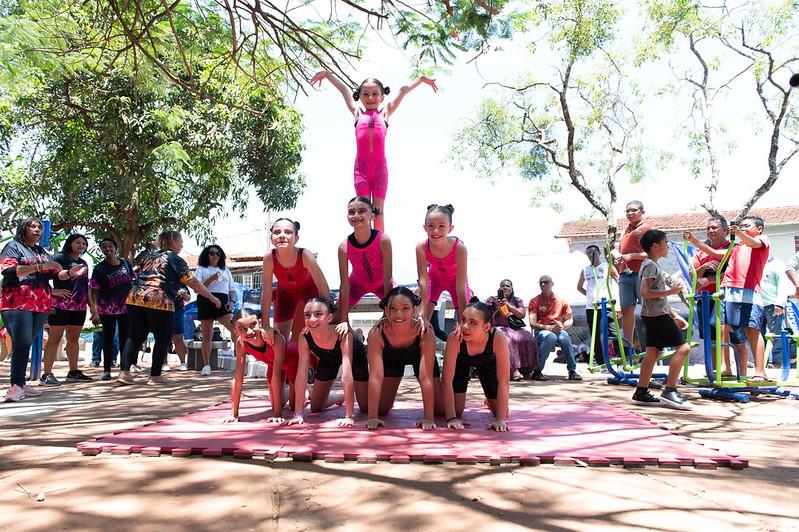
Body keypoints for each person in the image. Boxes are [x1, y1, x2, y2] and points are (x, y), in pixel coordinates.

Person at [309, 71, 438, 231]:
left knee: (378, 213)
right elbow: (343, 89)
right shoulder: (357, 113)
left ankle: (381, 250)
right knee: (363, 213)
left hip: (379, 170)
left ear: (382, 97)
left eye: (375, 94)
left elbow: (403, 90)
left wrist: (420, 80)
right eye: (366, 94)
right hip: (361, 171)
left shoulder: (385, 113)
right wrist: (327, 75)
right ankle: (365, 248)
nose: (370, 98)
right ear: (360, 96)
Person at [116, 230, 221, 386]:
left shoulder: (149, 257)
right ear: (173, 243)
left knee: (135, 336)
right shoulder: (173, 258)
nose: (182, 245)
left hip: (135, 297)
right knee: (163, 337)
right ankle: (155, 375)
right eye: (180, 242)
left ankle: (124, 373)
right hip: (158, 299)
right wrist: (211, 297)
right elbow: (192, 282)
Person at [1, 217, 82, 402]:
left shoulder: (41, 250)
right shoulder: (13, 247)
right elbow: (8, 270)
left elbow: (55, 274)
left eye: (39, 227)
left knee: (26, 342)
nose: (37, 229)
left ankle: (21, 383)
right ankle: (15, 387)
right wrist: (41, 266)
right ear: (24, 228)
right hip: (17, 302)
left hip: (41, 303)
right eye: (33, 226)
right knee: (21, 341)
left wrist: (70, 272)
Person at [688, 216, 770, 380]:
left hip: (747, 289)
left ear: (759, 228)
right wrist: (693, 240)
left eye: (747, 226)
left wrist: (739, 232)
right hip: (728, 290)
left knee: (751, 330)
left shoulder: (760, 239)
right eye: (741, 226)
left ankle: (760, 372)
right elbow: (714, 252)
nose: (743, 228)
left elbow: (752, 243)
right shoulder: (737, 246)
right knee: (721, 327)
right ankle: (724, 368)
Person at [632, 229, 693, 409]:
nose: (667, 246)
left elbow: (657, 298)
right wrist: (672, 292)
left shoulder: (652, 264)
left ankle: (641, 391)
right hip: (657, 316)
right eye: (665, 243)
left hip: (653, 314)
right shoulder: (650, 265)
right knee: (683, 348)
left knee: (652, 352)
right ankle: (670, 390)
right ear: (655, 246)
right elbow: (646, 293)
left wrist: (673, 315)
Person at [365, 287, 441, 431]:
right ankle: (338, 396)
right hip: (391, 358)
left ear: (414, 310)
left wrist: (428, 418)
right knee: (380, 409)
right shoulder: (377, 333)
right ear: (386, 310)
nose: (398, 314)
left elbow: (426, 377)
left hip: (418, 355)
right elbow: (375, 377)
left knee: (440, 410)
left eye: (405, 308)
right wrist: (372, 417)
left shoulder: (425, 333)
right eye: (393, 308)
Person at [683, 217, 748, 376]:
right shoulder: (700, 254)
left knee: (736, 337)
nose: (711, 231)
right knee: (712, 337)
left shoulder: (733, 247)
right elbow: (692, 275)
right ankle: (716, 369)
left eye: (714, 228)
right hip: (705, 299)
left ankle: (743, 373)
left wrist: (709, 280)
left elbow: (736, 273)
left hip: (728, 298)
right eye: (708, 228)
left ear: (725, 231)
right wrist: (704, 268)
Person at [294, 298, 369, 427]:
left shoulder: (342, 335)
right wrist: (298, 414)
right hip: (327, 358)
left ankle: (358, 335)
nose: (312, 319)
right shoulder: (304, 337)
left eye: (318, 314)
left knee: (365, 407)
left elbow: (346, 375)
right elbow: (301, 374)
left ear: (329, 318)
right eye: (307, 315)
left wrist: (349, 416)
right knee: (315, 407)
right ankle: (340, 396)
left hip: (355, 357)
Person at [442, 300, 511, 432]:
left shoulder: (498, 338)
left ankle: (489, 400)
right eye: (463, 320)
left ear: (486, 327)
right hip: (462, 361)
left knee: (502, 411)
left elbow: (504, 381)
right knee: (456, 411)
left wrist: (500, 420)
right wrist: (451, 418)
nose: (465, 326)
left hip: (487, 363)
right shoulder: (455, 338)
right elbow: (447, 379)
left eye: (473, 323)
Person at [223, 308, 301, 423]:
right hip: (273, 366)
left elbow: (277, 376)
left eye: (253, 325)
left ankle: (307, 391)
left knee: (294, 406)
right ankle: (293, 391)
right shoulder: (241, 342)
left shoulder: (273, 338)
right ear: (235, 331)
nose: (249, 332)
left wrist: (278, 415)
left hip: (294, 360)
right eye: (242, 329)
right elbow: (238, 378)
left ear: (260, 323)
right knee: (276, 405)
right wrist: (234, 414)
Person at [41, 234, 92, 385]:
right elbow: (42, 278)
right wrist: (52, 291)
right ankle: (47, 374)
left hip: (79, 307)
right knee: (55, 338)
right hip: (60, 305)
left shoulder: (83, 263)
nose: (81, 245)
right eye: (77, 242)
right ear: (69, 243)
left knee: (73, 339)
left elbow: (85, 286)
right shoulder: (58, 258)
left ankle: (73, 371)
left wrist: (92, 307)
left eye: (84, 243)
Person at [337, 197, 393, 326]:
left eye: (362, 211)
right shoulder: (344, 247)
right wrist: (344, 320)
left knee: (398, 315)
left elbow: (388, 279)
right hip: (356, 285)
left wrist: (386, 313)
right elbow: (344, 285)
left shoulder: (383, 240)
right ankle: (356, 334)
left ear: (372, 216)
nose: (356, 215)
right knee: (333, 318)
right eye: (351, 212)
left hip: (382, 285)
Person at [88, 237, 135, 381]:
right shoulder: (99, 268)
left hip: (126, 308)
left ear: (115, 248)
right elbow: (93, 291)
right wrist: (94, 311)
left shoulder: (125, 263)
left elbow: (134, 283)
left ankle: (124, 368)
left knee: (125, 338)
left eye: (110, 246)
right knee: (107, 338)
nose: (108, 249)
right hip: (107, 308)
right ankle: (106, 369)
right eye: (104, 247)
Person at [416, 204, 470, 324]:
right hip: (434, 279)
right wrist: (421, 314)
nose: (435, 231)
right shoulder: (421, 247)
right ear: (425, 227)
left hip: (456, 281)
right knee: (421, 320)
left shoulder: (460, 249)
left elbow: (460, 287)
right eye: (431, 226)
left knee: (464, 321)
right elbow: (423, 281)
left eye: (441, 226)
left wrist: (464, 320)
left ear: (450, 228)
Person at [615, 200, 653, 350]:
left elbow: (653, 253)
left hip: (642, 273)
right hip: (625, 274)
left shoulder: (647, 229)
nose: (630, 213)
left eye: (633, 210)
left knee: (648, 308)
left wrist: (632, 256)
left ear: (642, 212)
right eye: (627, 211)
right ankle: (628, 346)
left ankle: (654, 343)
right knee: (626, 309)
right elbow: (622, 253)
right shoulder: (624, 231)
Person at [194, 245, 237, 376]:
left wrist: (232, 302)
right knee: (207, 335)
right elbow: (197, 288)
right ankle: (206, 365)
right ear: (207, 255)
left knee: (235, 328)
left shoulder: (226, 270)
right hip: (206, 300)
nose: (215, 256)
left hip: (223, 301)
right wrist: (211, 278)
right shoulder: (201, 269)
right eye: (212, 253)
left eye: (218, 254)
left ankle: (238, 356)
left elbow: (232, 288)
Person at [529, 275, 581, 381]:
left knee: (565, 337)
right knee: (550, 337)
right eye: (541, 282)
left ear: (552, 284)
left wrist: (563, 326)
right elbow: (532, 323)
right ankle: (537, 371)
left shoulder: (561, 301)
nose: (543, 284)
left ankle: (572, 371)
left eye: (546, 282)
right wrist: (549, 328)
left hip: (558, 330)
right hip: (541, 331)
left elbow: (570, 320)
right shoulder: (534, 301)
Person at [484, 279, 538, 381]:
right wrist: (497, 308)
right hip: (497, 327)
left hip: (514, 327)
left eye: (508, 286)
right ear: (499, 289)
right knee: (506, 339)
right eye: (502, 286)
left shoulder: (517, 300)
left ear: (512, 289)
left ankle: (526, 369)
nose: (505, 287)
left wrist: (508, 306)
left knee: (529, 338)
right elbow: (486, 317)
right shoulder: (492, 299)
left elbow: (522, 315)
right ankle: (513, 370)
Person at [577, 245, 619, 366]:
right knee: (594, 334)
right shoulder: (585, 270)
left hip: (607, 304)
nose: (591, 255)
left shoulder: (607, 267)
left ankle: (620, 357)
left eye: (593, 252)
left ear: (599, 253)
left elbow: (619, 281)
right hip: (592, 306)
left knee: (613, 331)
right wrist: (589, 295)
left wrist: (617, 303)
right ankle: (600, 362)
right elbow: (579, 287)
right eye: (588, 253)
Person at [760, 254, 792, 368]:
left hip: (773, 305)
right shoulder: (755, 263)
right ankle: (760, 362)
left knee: (776, 334)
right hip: (757, 304)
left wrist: (779, 304)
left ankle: (777, 362)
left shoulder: (777, 264)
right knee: (758, 334)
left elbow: (783, 285)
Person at [166, 284, 190, 372]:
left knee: (178, 338)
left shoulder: (182, 283)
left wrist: (183, 294)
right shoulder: (163, 280)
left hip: (178, 311)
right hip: (164, 310)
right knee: (164, 338)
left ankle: (183, 363)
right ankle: (164, 363)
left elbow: (188, 298)